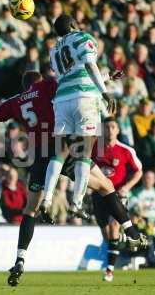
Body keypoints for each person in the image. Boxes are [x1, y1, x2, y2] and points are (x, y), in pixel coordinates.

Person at [0, 68, 147, 287]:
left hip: (41, 156)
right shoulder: (48, 85)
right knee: (106, 186)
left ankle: (20, 260)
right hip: (64, 148)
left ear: (24, 85)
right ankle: (131, 231)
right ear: (39, 80)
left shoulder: (16, 100)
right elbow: (79, 78)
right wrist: (107, 77)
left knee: (30, 209)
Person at [41, 14, 116, 218]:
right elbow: (90, 66)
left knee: (61, 151)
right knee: (84, 151)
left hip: (62, 98)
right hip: (85, 98)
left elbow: (74, 74)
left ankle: (46, 199)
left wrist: (107, 77)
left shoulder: (54, 49)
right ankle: (77, 202)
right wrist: (105, 91)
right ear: (74, 24)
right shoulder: (83, 37)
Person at [92, 117, 143, 282]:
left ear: (118, 130)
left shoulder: (126, 150)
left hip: (117, 195)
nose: (110, 130)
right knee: (107, 235)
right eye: (106, 127)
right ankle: (119, 241)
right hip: (98, 195)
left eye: (113, 127)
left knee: (114, 226)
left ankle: (109, 271)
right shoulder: (94, 148)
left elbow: (139, 171)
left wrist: (127, 187)